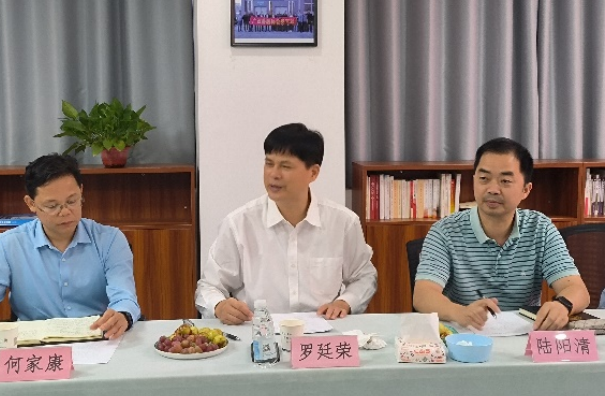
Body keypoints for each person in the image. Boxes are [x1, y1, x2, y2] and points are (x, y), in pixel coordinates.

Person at [195, 123, 377, 325]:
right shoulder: (239, 223)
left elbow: (364, 277)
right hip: (259, 331)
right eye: (269, 163)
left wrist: (345, 302)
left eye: (285, 166)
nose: (274, 174)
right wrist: (219, 306)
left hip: (323, 329)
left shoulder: (343, 222)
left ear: (313, 173)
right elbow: (209, 286)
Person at [413, 137, 589, 331]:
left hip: (523, 337)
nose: (492, 189)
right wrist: (459, 312)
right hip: (464, 336)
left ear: (525, 190)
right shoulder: (445, 231)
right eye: (484, 179)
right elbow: (423, 295)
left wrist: (562, 305)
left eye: (505, 181)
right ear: (474, 181)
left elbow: (577, 289)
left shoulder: (541, 228)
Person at [0, 153, 141, 339]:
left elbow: (124, 297)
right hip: (34, 344)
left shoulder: (110, 240)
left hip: (99, 338)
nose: (65, 212)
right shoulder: (6, 246)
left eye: (72, 201)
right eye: (52, 206)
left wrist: (122, 315)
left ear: (81, 191)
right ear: (31, 203)